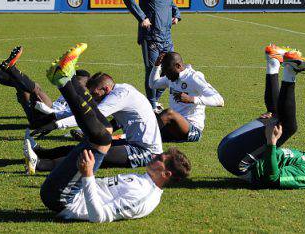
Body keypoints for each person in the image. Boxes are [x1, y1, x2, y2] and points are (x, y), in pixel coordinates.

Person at [39, 43, 191, 223]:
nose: (157, 157)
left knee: (102, 137)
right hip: (69, 191)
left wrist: (87, 175)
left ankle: (65, 81)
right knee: (102, 134)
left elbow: (99, 217)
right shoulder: (142, 180)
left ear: (166, 175)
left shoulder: (144, 198)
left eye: (161, 159)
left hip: (63, 199)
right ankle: (67, 77)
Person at [217, 45, 305, 189]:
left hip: (237, 161)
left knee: (289, 127)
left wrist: (271, 143)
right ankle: (273, 61)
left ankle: (290, 70)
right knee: (276, 115)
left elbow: (272, 178)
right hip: (231, 149)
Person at [26, 70, 163, 173]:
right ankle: (42, 153)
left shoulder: (121, 95)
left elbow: (89, 115)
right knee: (86, 146)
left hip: (147, 152)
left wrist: (57, 124)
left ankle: (40, 165)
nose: (93, 98)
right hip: (132, 142)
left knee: (92, 154)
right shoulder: (117, 91)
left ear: (106, 89)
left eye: (94, 94)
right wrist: (54, 117)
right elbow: (83, 110)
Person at [123, 0, 181, 111]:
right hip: (151, 36)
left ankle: (152, 100)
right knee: (152, 71)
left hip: (167, 36)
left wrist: (177, 14)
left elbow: (170, 2)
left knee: (172, 70)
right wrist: (142, 17)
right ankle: (151, 103)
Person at [149, 52, 224, 142]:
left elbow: (220, 101)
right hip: (173, 127)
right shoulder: (171, 78)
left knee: (169, 113)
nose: (165, 74)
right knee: (149, 112)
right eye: (163, 70)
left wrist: (192, 99)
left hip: (192, 130)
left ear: (178, 66)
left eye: (167, 70)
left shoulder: (194, 78)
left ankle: (145, 135)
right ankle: (138, 135)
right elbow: (153, 84)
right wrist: (156, 66)